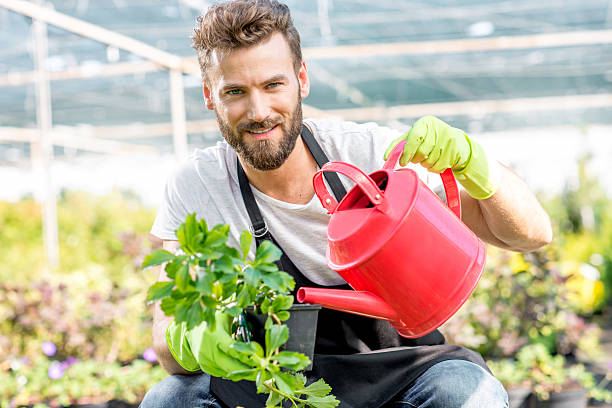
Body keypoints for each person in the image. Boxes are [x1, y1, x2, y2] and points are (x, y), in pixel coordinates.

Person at [140, 1, 552, 407]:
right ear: (210, 96)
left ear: (302, 79)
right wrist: (188, 336)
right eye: (235, 91)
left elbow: (533, 235)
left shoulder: (366, 153)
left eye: (273, 85)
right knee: (170, 399)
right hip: (273, 384)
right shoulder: (197, 186)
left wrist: (475, 163)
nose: (259, 111)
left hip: (399, 374)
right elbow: (164, 336)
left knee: (467, 392)